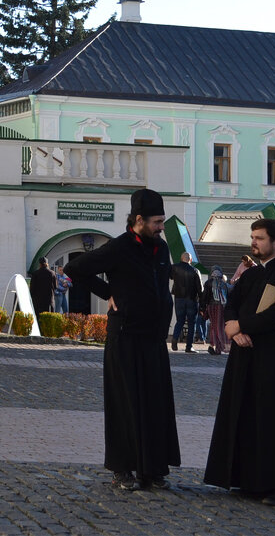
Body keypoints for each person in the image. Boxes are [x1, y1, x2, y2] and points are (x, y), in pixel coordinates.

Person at [66, 188, 180, 492]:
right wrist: (108, 294)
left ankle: (154, 470)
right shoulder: (118, 247)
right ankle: (123, 469)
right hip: (125, 337)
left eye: (162, 221)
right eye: (157, 222)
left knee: (155, 405)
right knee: (125, 403)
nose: (161, 227)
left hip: (153, 338)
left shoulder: (161, 249)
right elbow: (74, 268)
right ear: (138, 220)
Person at [204, 218, 275, 507]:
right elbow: (231, 305)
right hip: (245, 356)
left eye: (260, 238)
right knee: (245, 414)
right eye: (252, 237)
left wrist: (241, 327)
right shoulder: (250, 275)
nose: (254, 242)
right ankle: (248, 480)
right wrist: (231, 326)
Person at [170, 252, 202, 353]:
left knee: (180, 321)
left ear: (181, 258)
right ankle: (189, 346)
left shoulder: (174, 267)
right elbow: (200, 288)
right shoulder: (195, 270)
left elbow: (170, 277)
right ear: (190, 260)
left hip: (179, 298)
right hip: (191, 299)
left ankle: (175, 339)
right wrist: (202, 302)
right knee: (192, 323)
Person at [202, 266, 232, 356]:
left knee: (214, 327)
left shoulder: (208, 282)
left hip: (211, 307)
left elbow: (205, 296)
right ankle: (222, 346)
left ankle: (216, 347)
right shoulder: (224, 284)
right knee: (219, 327)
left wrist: (202, 308)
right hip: (222, 307)